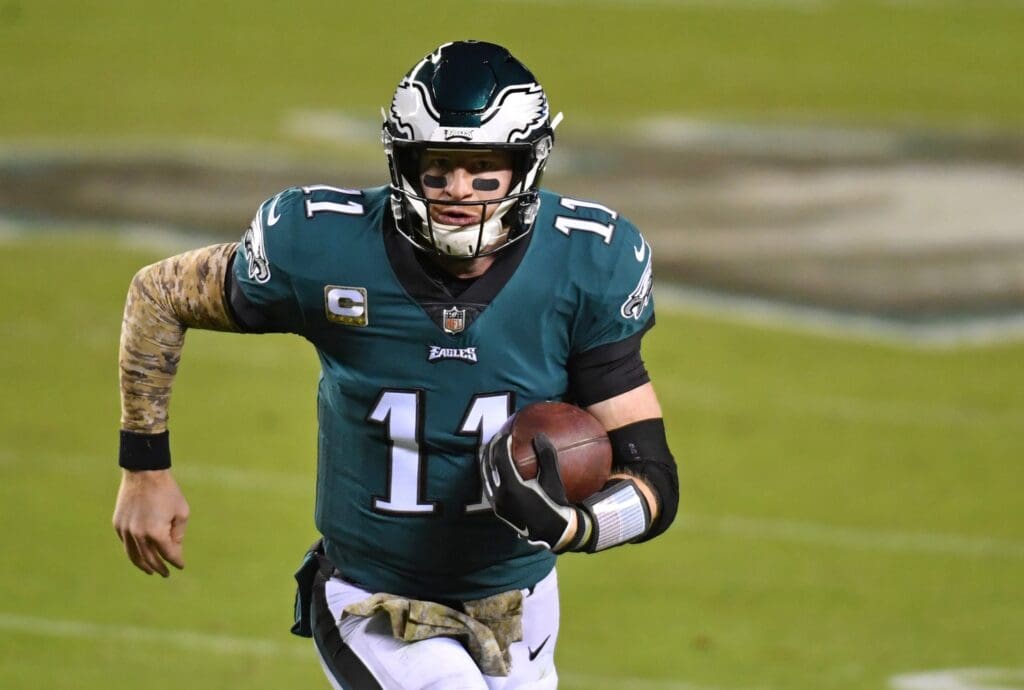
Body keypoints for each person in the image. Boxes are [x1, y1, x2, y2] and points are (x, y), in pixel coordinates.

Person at [112, 40, 678, 689]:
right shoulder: (323, 246)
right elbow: (159, 294)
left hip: (518, 605)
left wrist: (576, 526)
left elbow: (653, 479)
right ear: (402, 163)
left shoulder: (585, 266)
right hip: (374, 599)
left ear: (527, 165)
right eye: (438, 168)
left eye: (483, 169)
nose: (459, 190)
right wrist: (144, 469)